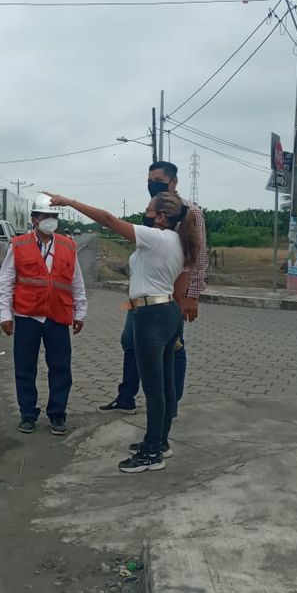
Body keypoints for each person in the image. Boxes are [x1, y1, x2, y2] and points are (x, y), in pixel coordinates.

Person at [47, 190, 201, 473]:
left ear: (161, 216)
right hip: (166, 311)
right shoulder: (179, 242)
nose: (146, 212)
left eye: (150, 209)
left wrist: (69, 202)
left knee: (154, 389)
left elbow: (108, 219)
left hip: (150, 315)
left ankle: (151, 453)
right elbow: (180, 284)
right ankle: (160, 441)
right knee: (165, 385)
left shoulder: (156, 237)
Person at [99, 161, 208, 413]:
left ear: (174, 182)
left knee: (174, 345)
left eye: (158, 180)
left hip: (171, 295)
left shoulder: (189, 211)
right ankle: (126, 396)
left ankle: (171, 402)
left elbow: (198, 256)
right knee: (130, 341)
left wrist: (192, 296)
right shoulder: (154, 209)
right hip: (142, 294)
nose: (152, 185)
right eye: (149, 181)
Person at [0, 192, 87, 436]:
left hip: (58, 316)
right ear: (34, 219)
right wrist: (5, 314)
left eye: (53, 216)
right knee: (25, 368)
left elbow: (76, 281)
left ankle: (57, 414)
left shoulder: (68, 245)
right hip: (28, 316)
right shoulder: (19, 245)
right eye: (46, 216)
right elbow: (6, 281)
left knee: (61, 369)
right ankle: (28, 414)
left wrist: (80, 311)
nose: (50, 220)